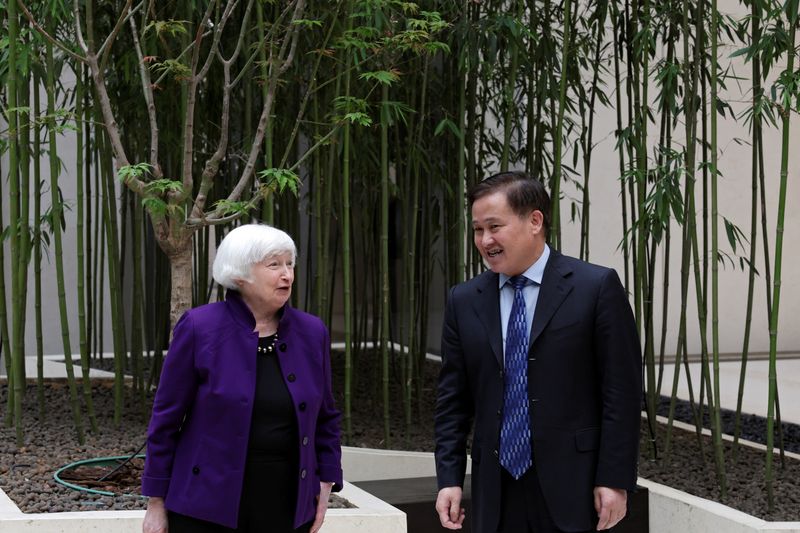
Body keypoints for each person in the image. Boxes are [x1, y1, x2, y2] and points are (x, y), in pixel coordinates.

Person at [434, 171, 641, 533]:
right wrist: (449, 478)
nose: (485, 240)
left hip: (574, 485)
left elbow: (621, 394)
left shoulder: (595, 288)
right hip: (495, 488)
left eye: (494, 226)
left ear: (534, 221)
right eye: (478, 230)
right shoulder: (463, 300)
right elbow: (453, 400)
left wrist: (614, 478)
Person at [141, 223, 343, 533]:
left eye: (290, 264)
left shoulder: (311, 332)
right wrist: (156, 502)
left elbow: (326, 418)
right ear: (239, 274)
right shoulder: (200, 328)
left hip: (286, 502)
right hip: (205, 504)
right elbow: (165, 420)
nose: (287, 274)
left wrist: (325, 485)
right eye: (274, 265)